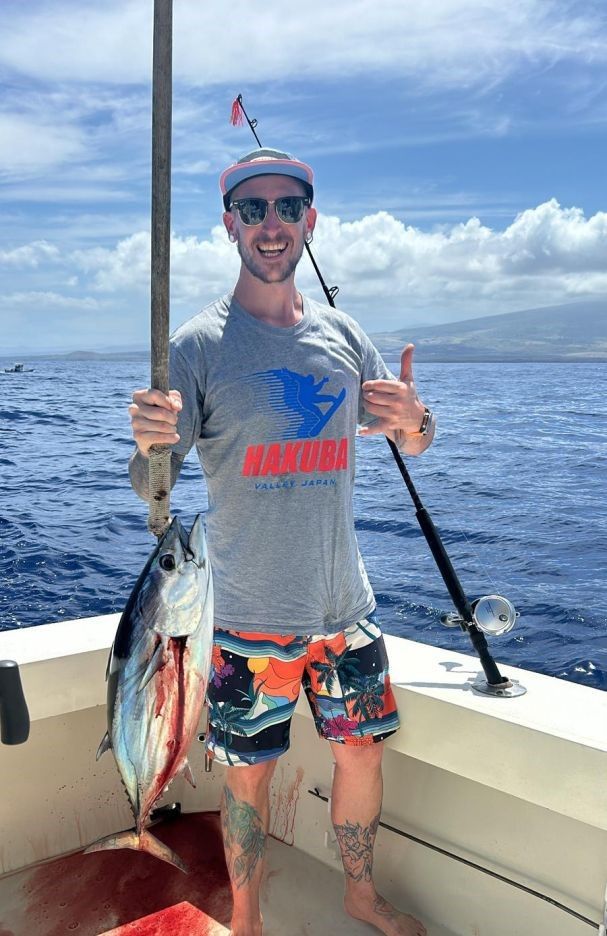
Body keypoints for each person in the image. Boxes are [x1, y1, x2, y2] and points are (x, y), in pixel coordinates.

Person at [128, 147, 434, 936]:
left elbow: (412, 438)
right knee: (248, 782)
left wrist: (415, 420)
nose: (271, 224)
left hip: (344, 610)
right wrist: (148, 447)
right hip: (245, 619)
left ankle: (359, 895)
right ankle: (249, 917)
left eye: (287, 207)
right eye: (253, 209)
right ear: (229, 222)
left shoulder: (343, 334)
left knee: (360, 756)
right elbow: (149, 484)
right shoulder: (197, 347)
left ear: (310, 220)